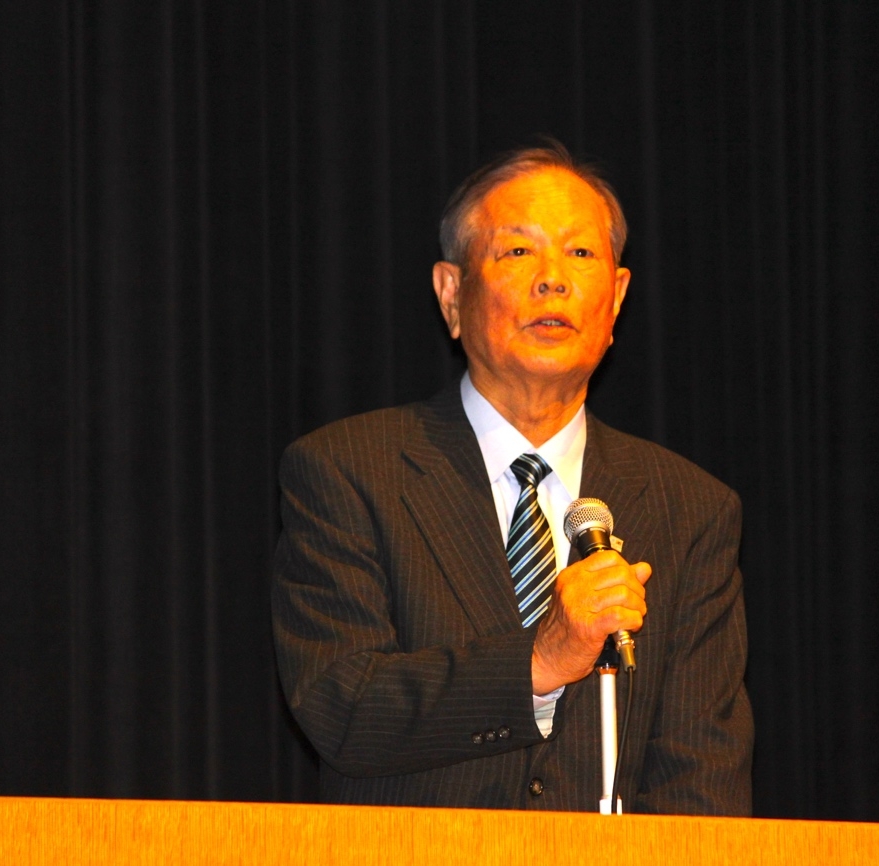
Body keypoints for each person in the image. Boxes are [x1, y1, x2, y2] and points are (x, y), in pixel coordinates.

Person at [272, 142, 753, 814]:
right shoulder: (349, 472)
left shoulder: (690, 508)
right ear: (451, 294)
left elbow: (701, 779)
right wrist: (542, 659)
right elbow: (342, 708)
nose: (552, 280)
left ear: (616, 298)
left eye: (580, 253)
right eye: (518, 251)